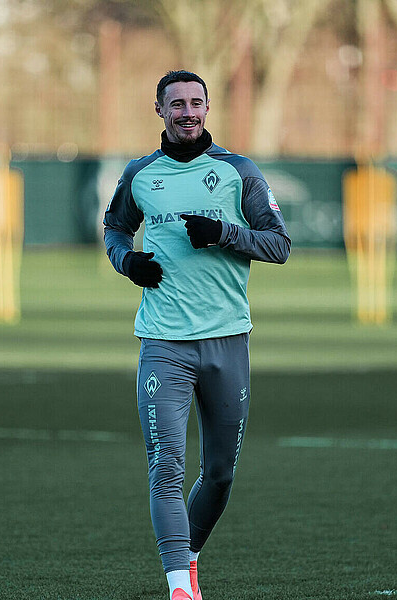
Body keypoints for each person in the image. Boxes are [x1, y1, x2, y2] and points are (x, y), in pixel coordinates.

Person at [102, 70, 290, 600]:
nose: (188, 112)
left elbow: (279, 245)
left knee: (220, 474)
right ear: (158, 110)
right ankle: (180, 589)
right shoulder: (140, 174)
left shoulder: (237, 172)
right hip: (163, 343)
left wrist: (223, 234)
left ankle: (190, 556)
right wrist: (128, 261)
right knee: (166, 466)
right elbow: (115, 227)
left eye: (196, 103)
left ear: (208, 109)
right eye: (177, 104)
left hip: (227, 341)